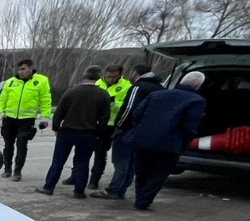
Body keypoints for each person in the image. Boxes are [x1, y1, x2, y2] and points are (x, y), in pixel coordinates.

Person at [121, 71, 207, 211]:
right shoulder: (197, 100)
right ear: (198, 85)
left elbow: (137, 114)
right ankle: (143, 201)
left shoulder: (158, 94)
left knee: (142, 170)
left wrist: (141, 129)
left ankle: (140, 198)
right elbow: (189, 126)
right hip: (170, 144)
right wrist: (185, 142)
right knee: (159, 173)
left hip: (143, 139)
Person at [92, 64, 165, 201]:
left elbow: (129, 108)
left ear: (134, 72)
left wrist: (119, 125)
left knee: (121, 161)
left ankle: (114, 190)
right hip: (144, 130)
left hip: (128, 129)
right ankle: (121, 189)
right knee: (131, 161)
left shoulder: (137, 87)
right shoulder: (159, 88)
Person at [36, 66, 112, 199]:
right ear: (100, 78)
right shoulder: (103, 94)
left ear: (84, 75)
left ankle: (49, 187)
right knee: (82, 162)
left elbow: (59, 112)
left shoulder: (71, 92)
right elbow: (105, 118)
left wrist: (56, 128)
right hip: (89, 133)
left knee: (58, 161)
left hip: (67, 131)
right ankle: (79, 191)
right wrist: (99, 133)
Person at [63, 64, 132, 188]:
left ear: (120, 75)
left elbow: (127, 105)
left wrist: (114, 102)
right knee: (80, 152)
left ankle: (94, 179)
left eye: (114, 77)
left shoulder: (127, 86)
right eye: (108, 76)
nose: (111, 79)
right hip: (90, 122)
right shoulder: (96, 83)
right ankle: (75, 176)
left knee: (100, 153)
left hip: (109, 124)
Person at [0, 59, 53, 181]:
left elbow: (45, 100)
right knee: (8, 145)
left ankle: (17, 171)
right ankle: (7, 169)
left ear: (31, 69)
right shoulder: (11, 82)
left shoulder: (41, 81)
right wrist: (1, 113)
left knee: (21, 145)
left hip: (27, 120)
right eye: (19, 69)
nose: (20, 72)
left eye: (23, 69)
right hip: (9, 119)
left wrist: (45, 117)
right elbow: (1, 99)